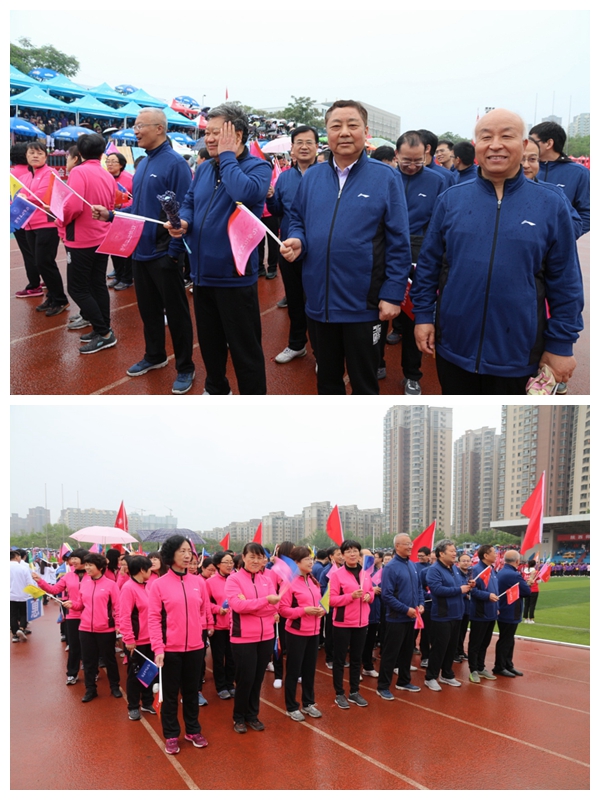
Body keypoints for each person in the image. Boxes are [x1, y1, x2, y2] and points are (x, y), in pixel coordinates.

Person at [412, 108, 584, 394]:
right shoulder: (451, 199)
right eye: (486, 137)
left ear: (524, 145)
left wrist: (561, 345)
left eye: (506, 136)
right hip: (454, 345)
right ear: (475, 145)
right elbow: (429, 266)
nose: (495, 145)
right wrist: (423, 317)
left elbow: (565, 280)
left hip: (518, 353)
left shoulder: (551, 203)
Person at [281, 100, 412, 394]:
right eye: (335, 126)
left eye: (352, 125)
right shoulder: (313, 176)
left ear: (365, 131)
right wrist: (298, 239)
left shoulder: (385, 176)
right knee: (327, 380)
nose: (344, 132)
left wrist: (393, 293)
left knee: (364, 382)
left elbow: (399, 240)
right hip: (319, 301)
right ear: (326, 133)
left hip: (364, 304)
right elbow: (297, 219)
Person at [167, 103, 272, 395]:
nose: (209, 138)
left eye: (217, 133)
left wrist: (227, 156)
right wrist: (184, 221)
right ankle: (216, 388)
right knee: (210, 344)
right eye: (207, 132)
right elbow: (190, 201)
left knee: (244, 350)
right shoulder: (203, 169)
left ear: (237, 135)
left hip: (235, 277)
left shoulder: (258, 167)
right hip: (202, 274)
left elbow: (243, 193)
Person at [92, 107, 195, 395]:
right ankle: (155, 355)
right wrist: (111, 215)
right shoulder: (143, 163)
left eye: (140, 126)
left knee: (176, 313)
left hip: (164, 253)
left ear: (159, 129)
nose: (135, 131)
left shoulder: (176, 164)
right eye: (135, 126)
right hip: (140, 250)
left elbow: (184, 210)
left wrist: (173, 252)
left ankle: (185, 366)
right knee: (148, 311)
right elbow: (138, 208)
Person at [389, 131, 446, 395]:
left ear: (426, 154)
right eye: (406, 161)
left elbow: (440, 223)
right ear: (396, 155)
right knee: (379, 311)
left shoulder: (438, 180)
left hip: (419, 251)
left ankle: (412, 374)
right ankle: (377, 363)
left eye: (418, 161)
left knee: (413, 313)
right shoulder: (386, 177)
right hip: (387, 249)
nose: (412, 166)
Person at [148, 535, 211, 754]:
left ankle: (193, 730)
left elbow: (202, 611)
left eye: (189, 551)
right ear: (171, 554)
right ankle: (171, 734)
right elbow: (154, 618)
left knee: (192, 693)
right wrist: (158, 648)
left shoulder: (199, 582)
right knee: (171, 695)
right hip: (169, 650)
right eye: (182, 551)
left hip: (195, 648)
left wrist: (200, 635)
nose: (187, 556)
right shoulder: (159, 585)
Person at [56, 133, 117, 354]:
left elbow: (73, 206)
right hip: (102, 235)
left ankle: (104, 332)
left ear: (80, 153)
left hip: (81, 239)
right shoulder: (107, 175)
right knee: (97, 284)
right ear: (102, 153)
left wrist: (59, 219)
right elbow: (110, 205)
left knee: (77, 288)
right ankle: (103, 328)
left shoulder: (78, 172)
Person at [267, 125, 319, 365]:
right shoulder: (285, 177)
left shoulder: (328, 175)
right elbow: (278, 211)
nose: (304, 147)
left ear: (317, 147)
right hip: (289, 248)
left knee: (316, 301)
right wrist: (270, 197)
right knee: (295, 300)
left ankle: (321, 352)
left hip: (318, 250)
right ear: (293, 149)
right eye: (300, 142)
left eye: (309, 142)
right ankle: (297, 344)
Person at [225, 542, 280, 733]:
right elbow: (238, 607)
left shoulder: (267, 580)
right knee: (245, 679)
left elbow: (275, 607)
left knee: (257, 679)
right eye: (252, 557)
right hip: (243, 638)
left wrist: (252, 606)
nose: (256, 561)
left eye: (260, 557)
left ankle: (252, 715)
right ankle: (239, 717)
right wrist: (264, 602)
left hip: (266, 637)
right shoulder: (234, 580)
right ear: (243, 557)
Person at [20, 142, 70, 315]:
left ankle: (60, 299)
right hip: (30, 224)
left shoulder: (50, 173)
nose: (35, 156)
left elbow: (41, 196)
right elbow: (18, 195)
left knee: (45, 262)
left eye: (39, 153)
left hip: (46, 224)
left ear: (46, 156)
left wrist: (24, 198)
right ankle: (52, 297)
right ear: (26, 156)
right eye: (31, 153)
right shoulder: (27, 176)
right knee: (39, 262)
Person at [278, 546, 325, 720]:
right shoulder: (288, 583)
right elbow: (283, 610)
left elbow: (320, 602)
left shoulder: (313, 580)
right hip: (296, 633)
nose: (311, 562)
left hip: (314, 631)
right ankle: (291, 706)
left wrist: (322, 610)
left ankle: (308, 703)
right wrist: (304, 611)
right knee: (293, 670)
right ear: (296, 563)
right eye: (307, 559)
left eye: (311, 559)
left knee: (309, 670)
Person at [69, 552, 122, 703]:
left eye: (90, 565)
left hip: (106, 629)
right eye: (86, 565)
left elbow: (118, 607)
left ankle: (115, 686)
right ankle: (90, 689)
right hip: (85, 629)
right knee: (88, 661)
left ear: (100, 567)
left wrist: (118, 625)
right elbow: (80, 605)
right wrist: (72, 605)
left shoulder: (111, 585)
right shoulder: (84, 584)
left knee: (109, 660)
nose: (87, 568)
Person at [376, 534, 424, 700]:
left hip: (412, 617)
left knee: (407, 652)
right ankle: (383, 686)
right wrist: (405, 609)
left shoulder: (412, 565)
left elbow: (419, 588)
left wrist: (420, 604)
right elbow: (387, 595)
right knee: (391, 654)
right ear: (397, 546)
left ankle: (403, 681)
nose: (410, 547)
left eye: (411, 544)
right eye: (406, 544)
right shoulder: (391, 567)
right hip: (396, 618)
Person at [32, 548, 89, 682]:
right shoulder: (68, 576)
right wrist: (40, 581)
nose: (72, 561)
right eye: (71, 558)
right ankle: (72, 673)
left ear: (84, 559)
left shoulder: (93, 575)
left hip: (90, 616)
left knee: (89, 646)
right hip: (73, 615)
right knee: (74, 646)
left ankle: (91, 671)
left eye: (75, 558)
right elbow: (54, 589)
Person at [329, 540, 374, 708]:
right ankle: (339, 693)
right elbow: (331, 600)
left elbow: (370, 592)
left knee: (356, 659)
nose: (352, 554)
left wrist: (370, 596)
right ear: (342, 555)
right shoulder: (337, 575)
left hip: (361, 623)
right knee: (340, 660)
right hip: (343, 623)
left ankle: (354, 691)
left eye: (355, 551)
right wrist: (350, 596)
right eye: (348, 551)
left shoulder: (365, 573)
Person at [424, 540, 474, 691]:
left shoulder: (454, 569)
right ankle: (430, 677)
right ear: (441, 553)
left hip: (456, 614)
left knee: (451, 648)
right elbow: (437, 590)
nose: (454, 553)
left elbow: (461, 585)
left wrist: (469, 585)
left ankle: (447, 674)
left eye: (455, 550)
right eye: (451, 551)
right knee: (439, 648)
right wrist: (459, 590)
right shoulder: (434, 570)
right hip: (442, 615)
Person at [528, 121, 590, 235]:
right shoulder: (525, 169)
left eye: (533, 141)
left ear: (549, 143)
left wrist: (565, 238)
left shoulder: (579, 173)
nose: (528, 145)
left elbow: (587, 214)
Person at [119, 555, 158, 721]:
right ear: (142, 570)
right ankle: (133, 706)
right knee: (135, 674)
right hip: (136, 642)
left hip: (151, 639)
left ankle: (147, 702)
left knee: (149, 672)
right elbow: (124, 615)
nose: (151, 572)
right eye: (149, 569)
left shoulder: (147, 586)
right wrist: (129, 638)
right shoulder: (128, 588)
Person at [493, 550, 534, 677]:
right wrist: (528, 584)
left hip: (505, 609)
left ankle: (508, 664)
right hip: (510, 611)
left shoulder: (502, 571)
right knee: (506, 640)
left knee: (508, 639)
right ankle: (500, 666)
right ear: (517, 561)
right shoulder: (513, 575)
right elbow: (526, 592)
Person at [11, 143, 43, 299]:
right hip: (39, 218)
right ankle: (45, 279)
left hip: (20, 217)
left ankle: (34, 285)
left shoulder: (11, 173)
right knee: (40, 253)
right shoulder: (35, 172)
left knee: (28, 252)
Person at [206, 551, 236, 699]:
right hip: (218, 626)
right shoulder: (210, 583)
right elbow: (206, 604)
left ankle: (230, 684)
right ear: (218, 564)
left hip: (234, 625)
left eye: (231, 562)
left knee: (232, 657)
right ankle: (221, 686)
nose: (230, 565)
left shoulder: (236, 580)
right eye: (226, 562)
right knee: (218, 658)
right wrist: (218, 609)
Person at [467, 544, 500, 683]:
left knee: (485, 642)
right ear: (485, 555)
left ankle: (481, 667)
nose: (496, 554)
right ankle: (473, 669)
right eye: (493, 552)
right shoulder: (475, 570)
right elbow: (472, 590)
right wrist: (487, 596)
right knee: (476, 643)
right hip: (480, 613)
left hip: (491, 612)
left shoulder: (492, 569)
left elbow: (495, 590)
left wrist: (497, 606)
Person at [104, 151, 134, 290]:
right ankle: (118, 275)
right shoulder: (105, 177)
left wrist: (121, 205)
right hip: (110, 218)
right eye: (108, 161)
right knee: (113, 249)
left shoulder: (129, 179)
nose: (109, 164)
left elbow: (135, 200)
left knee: (125, 250)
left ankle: (127, 278)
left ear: (121, 164)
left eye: (113, 161)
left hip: (125, 218)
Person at [10, 550, 35, 642]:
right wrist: (34, 593)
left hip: (10, 596)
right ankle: (21, 628)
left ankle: (15, 635)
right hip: (23, 595)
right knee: (24, 613)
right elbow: (30, 582)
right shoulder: (23, 568)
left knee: (12, 615)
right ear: (16, 557)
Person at [454, 551, 472, 661]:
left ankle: (460, 650)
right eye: (463, 561)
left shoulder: (470, 574)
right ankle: (454, 653)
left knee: (463, 630)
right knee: (457, 631)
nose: (466, 563)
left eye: (468, 561)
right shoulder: (456, 574)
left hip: (467, 607)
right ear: (458, 562)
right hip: (458, 606)